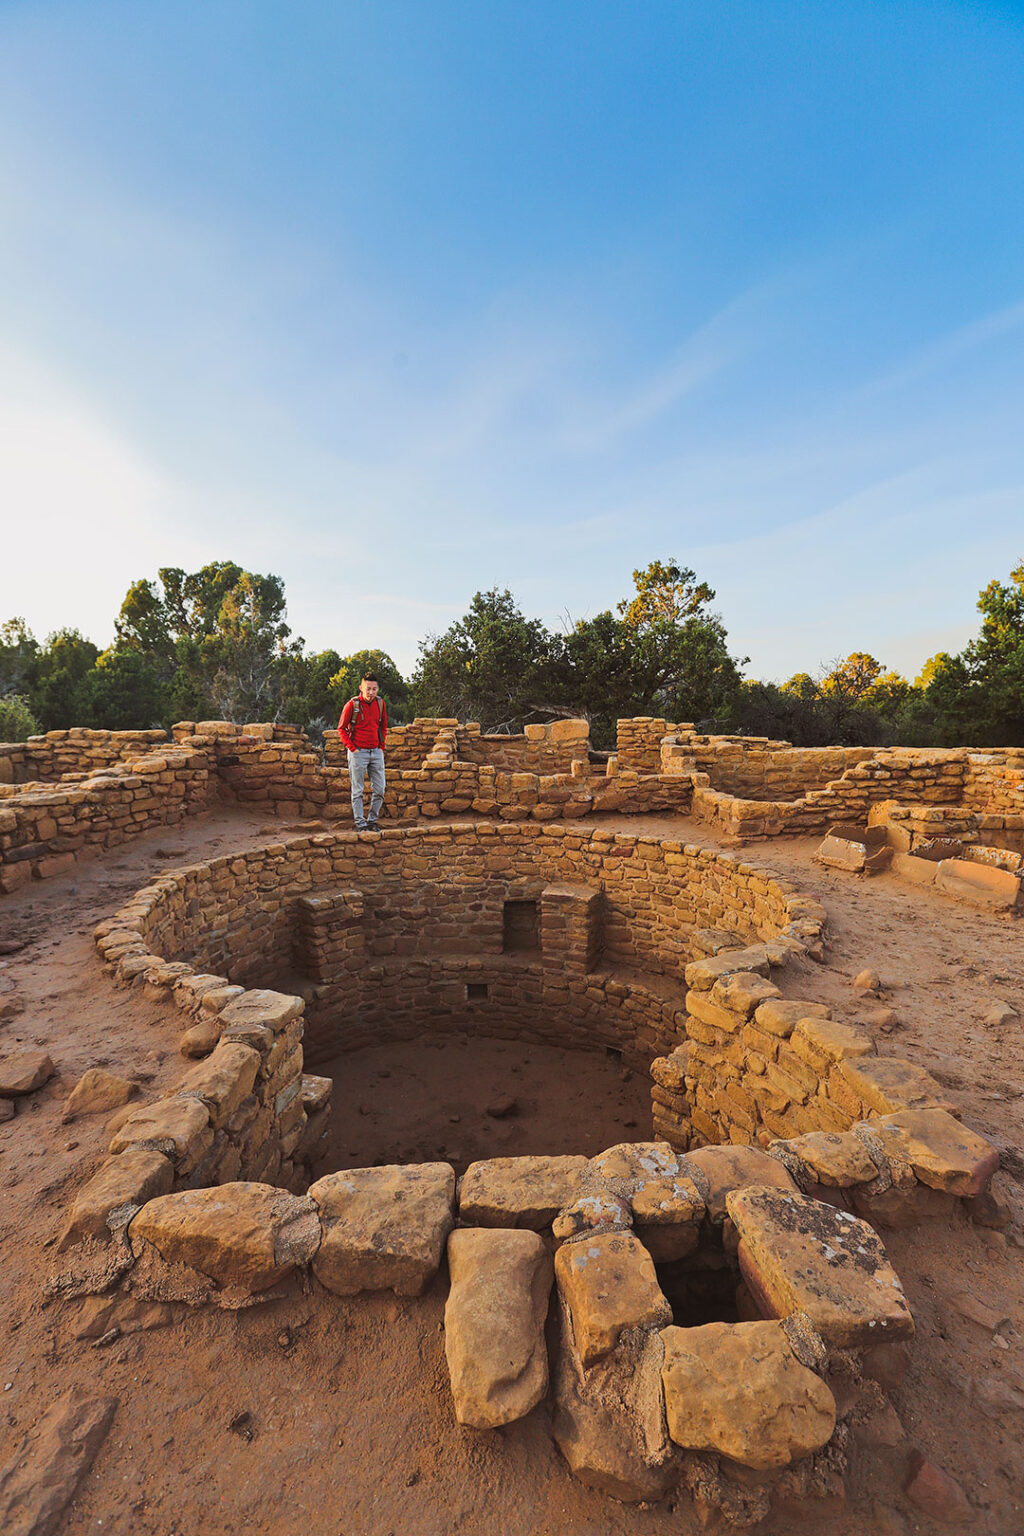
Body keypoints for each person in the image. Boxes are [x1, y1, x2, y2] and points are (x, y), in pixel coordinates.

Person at [338, 672, 388, 831]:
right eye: (368, 688)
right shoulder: (352, 705)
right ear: (361, 687)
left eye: (374, 689)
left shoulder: (380, 703)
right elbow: (341, 728)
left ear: (377, 689)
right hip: (358, 752)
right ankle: (361, 824)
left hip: (376, 752)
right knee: (358, 790)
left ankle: (372, 821)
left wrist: (381, 745)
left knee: (380, 789)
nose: (371, 692)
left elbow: (383, 726)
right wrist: (352, 748)